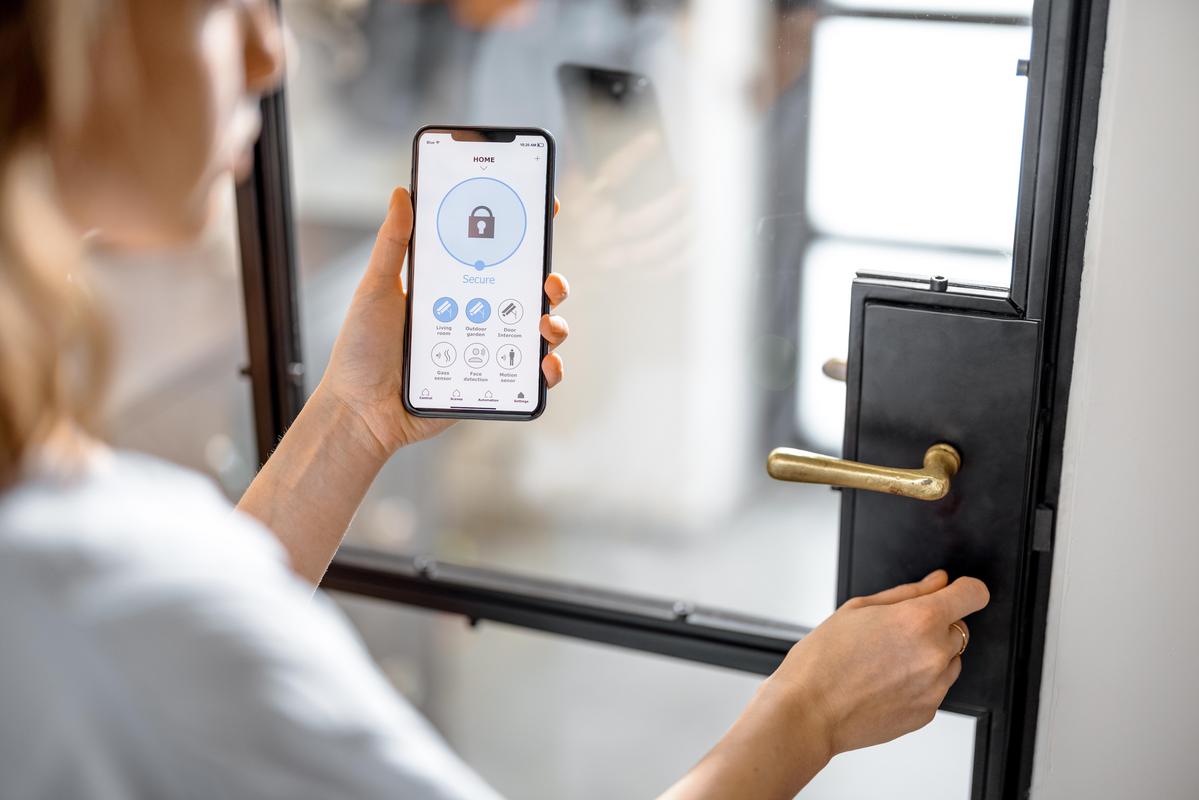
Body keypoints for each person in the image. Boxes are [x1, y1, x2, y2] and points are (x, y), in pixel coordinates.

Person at [0, 2, 990, 799]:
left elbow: (186, 633)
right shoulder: (93, 580)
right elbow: (164, 621)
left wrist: (352, 417)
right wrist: (807, 715)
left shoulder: (92, 556)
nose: (271, 51)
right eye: (221, 5)